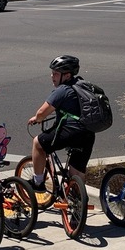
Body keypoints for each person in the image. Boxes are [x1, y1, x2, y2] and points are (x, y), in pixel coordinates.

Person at [26, 55, 96, 192]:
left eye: (56, 74)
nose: (52, 76)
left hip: (70, 131)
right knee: (76, 173)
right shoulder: (83, 86)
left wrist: (37, 118)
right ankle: (78, 202)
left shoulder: (63, 90)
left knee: (38, 143)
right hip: (88, 133)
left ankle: (38, 182)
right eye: (52, 73)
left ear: (67, 75)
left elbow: (42, 113)